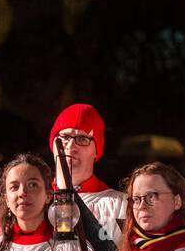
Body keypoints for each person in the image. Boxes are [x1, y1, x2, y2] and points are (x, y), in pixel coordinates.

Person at [48, 103, 126, 242]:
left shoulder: (120, 205)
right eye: (64, 137)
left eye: (82, 139)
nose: (71, 147)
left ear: (96, 151)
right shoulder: (35, 201)